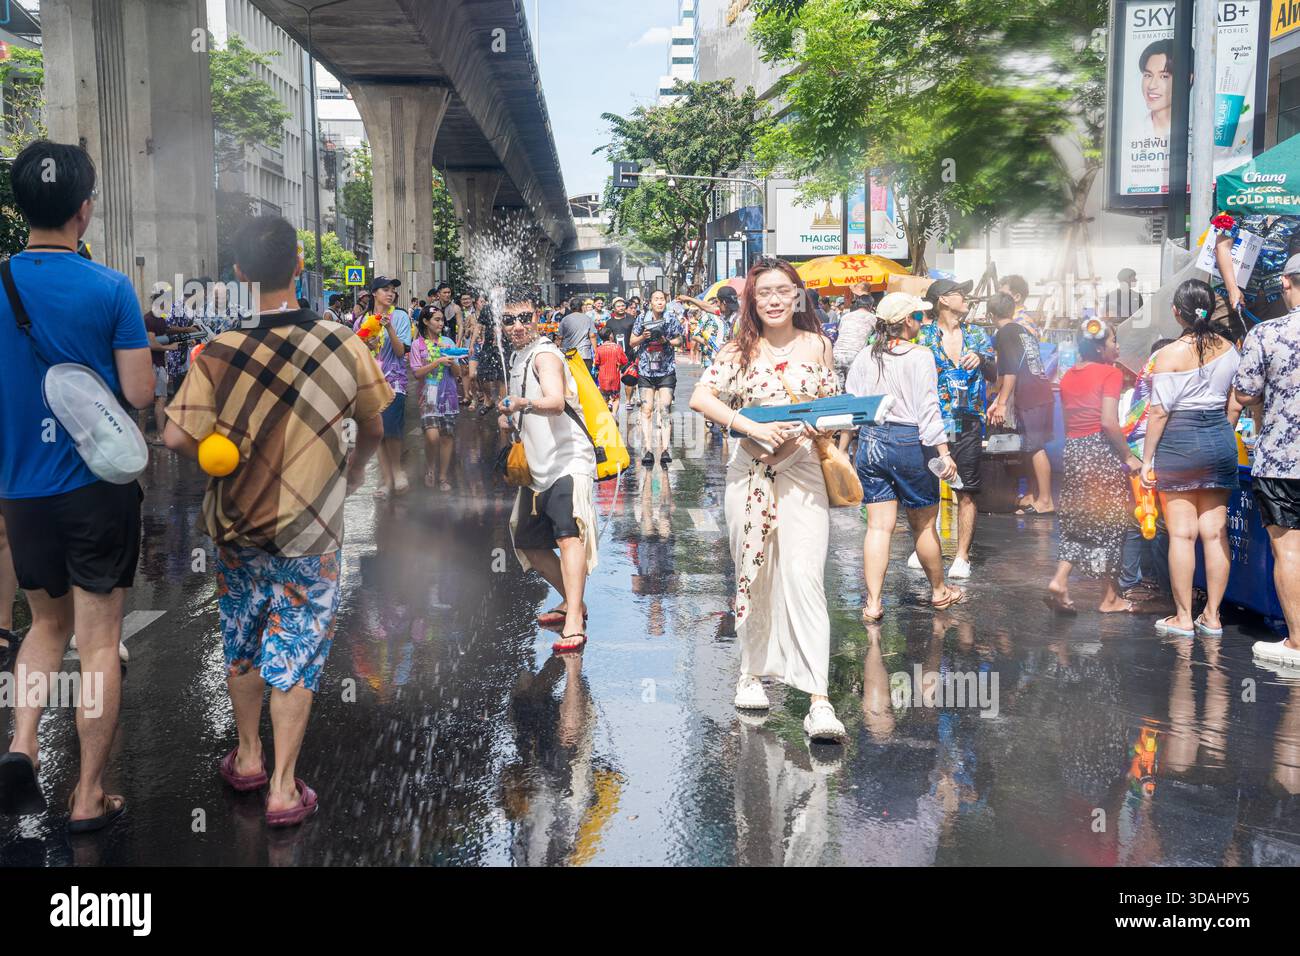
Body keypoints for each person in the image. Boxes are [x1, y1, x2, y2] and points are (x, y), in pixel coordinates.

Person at [164, 215, 390, 827]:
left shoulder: (217, 352)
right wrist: (355, 470)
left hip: (236, 526)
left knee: (242, 642)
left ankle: (247, 757)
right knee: (295, 649)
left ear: (239, 274)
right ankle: (285, 789)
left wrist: (221, 449)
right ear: (298, 267)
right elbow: (374, 426)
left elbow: (174, 435)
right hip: (311, 530)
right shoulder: (344, 343)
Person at [0, 140, 155, 830]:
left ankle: (23, 746)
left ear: (19, 206)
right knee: (97, 643)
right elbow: (140, 392)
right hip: (95, 490)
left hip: (21, 490)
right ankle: (88, 796)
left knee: (43, 625)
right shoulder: (111, 288)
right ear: (85, 210)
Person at [688, 257, 849, 744]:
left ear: (798, 296)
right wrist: (751, 426)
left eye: (784, 291)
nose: (775, 300)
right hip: (751, 474)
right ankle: (751, 673)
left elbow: (833, 406)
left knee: (804, 577)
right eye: (765, 294)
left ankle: (818, 700)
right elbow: (702, 398)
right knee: (753, 574)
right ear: (752, 302)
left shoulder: (820, 345)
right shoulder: (738, 349)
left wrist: (833, 424)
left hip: (803, 474)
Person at [845, 293, 964, 621]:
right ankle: (939, 592)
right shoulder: (920, 356)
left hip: (871, 441)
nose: (923, 321)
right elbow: (928, 408)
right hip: (909, 442)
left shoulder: (867, 354)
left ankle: (872, 603)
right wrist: (944, 451)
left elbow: (853, 400)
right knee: (923, 525)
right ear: (908, 321)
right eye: (919, 316)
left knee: (878, 528)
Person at [1139, 279, 1243, 637]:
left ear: (1176, 313)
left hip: (1178, 443)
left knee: (1182, 535)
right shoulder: (1230, 349)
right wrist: (1221, 432)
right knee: (1215, 534)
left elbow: (1158, 413)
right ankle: (1212, 616)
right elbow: (1235, 402)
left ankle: (1183, 618)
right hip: (1219, 438)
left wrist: (1147, 460)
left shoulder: (1167, 356)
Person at [499, 299, 598, 654]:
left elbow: (555, 401)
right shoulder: (518, 358)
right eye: (509, 320)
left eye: (525, 318)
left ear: (538, 319)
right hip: (538, 468)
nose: (517, 326)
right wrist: (511, 415)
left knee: (569, 536)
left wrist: (522, 405)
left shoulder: (544, 356)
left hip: (567, 462)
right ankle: (573, 601)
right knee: (528, 540)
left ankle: (574, 617)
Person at [1046, 321, 1142, 614]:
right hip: (1100, 451)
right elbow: (1108, 422)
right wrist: (1128, 456)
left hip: (1074, 451)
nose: (1118, 347)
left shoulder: (1067, 377)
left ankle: (1060, 580)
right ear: (1101, 347)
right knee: (1110, 524)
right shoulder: (1110, 374)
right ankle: (1110, 597)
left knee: (1078, 522)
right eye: (1114, 341)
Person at [1234, 255, 1300, 665]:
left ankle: (1297, 641)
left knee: (1289, 551)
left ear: (1288, 284)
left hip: (1280, 460)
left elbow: (1243, 392)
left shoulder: (1268, 333)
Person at [914, 278, 996, 580]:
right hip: (934, 420)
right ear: (943, 301)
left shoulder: (977, 335)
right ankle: (926, 543)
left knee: (967, 489)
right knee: (929, 485)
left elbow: (996, 372)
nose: (966, 298)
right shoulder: (923, 338)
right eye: (960, 294)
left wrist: (984, 360)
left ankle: (962, 556)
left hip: (969, 421)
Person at [988, 290, 1057, 516]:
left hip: (1030, 396)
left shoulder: (1005, 333)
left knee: (1035, 447)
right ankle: (1033, 496)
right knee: (1030, 445)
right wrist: (999, 399)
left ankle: (1045, 500)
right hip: (1042, 393)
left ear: (990, 315)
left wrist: (1001, 403)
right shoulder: (1023, 331)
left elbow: (1009, 372)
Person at [1119, 338, 1175, 602]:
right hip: (1154, 457)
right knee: (1159, 522)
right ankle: (1163, 586)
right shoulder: (1164, 378)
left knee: (1139, 519)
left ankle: (1133, 581)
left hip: (1136, 456)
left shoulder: (1139, 386)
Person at [356, 276, 412, 497]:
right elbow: (359, 354)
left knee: (391, 427)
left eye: (392, 291)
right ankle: (387, 481)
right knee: (377, 433)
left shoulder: (399, 317)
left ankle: (397, 470)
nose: (390, 294)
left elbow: (400, 352)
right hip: (371, 382)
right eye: (385, 290)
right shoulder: (363, 320)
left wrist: (389, 329)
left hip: (394, 381)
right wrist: (367, 346)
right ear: (374, 294)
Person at [630, 289, 686, 467]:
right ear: (650, 302)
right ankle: (647, 449)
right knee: (647, 410)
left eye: (662, 299)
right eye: (656, 299)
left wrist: (667, 341)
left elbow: (680, 340)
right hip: (646, 371)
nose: (660, 302)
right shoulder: (642, 318)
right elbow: (632, 342)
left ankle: (665, 449)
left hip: (666, 370)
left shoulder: (671, 318)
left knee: (664, 408)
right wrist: (642, 337)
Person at [410, 306, 459, 491]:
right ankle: (430, 467)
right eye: (436, 319)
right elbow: (417, 373)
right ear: (425, 321)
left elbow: (458, 372)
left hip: (448, 395)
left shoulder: (448, 342)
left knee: (447, 436)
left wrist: (451, 358)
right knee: (432, 436)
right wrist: (437, 361)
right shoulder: (418, 345)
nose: (441, 323)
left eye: (441, 320)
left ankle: (443, 476)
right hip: (428, 396)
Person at [143, 289, 180, 445]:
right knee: (154, 400)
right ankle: (155, 435)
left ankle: (153, 435)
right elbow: (151, 343)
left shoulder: (160, 319)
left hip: (159, 364)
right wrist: (170, 348)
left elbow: (167, 330)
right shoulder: (148, 319)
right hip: (151, 364)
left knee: (158, 399)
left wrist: (187, 330)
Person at [604, 297, 638, 409]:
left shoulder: (631, 320)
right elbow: (606, 337)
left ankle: (628, 401)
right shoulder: (609, 322)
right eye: (618, 306)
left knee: (629, 377)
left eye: (623, 305)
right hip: (613, 355)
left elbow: (636, 334)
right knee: (613, 379)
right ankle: (612, 399)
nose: (621, 308)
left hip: (629, 353)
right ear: (613, 308)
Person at [559, 294, 598, 377]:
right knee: (585, 379)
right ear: (581, 307)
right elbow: (592, 336)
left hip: (568, 355)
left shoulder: (565, 319)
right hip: (584, 355)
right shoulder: (588, 319)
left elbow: (560, 337)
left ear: (570, 307)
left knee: (570, 380)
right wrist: (596, 352)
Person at [593, 327, 628, 412]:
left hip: (603, 378)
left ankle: (607, 417)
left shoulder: (599, 349)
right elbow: (625, 361)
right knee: (616, 398)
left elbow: (596, 363)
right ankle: (613, 415)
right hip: (614, 378)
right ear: (610, 336)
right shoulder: (617, 347)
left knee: (604, 398)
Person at [998, 274, 1040, 340]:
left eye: (1003, 295)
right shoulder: (1009, 319)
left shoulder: (1021, 323)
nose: (997, 298)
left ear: (1017, 297)